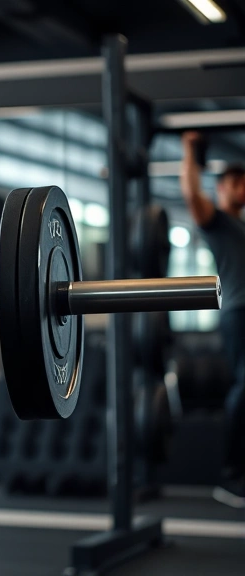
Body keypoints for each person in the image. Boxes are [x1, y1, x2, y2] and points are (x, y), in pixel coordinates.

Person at [180, 131, 245, 508]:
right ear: (222, 188)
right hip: (237, 312)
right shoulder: (217, 221)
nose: (242, 189)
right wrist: (191, 150)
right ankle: (231, 474)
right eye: (237, 183)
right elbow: (190, 194)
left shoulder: (239, 226)